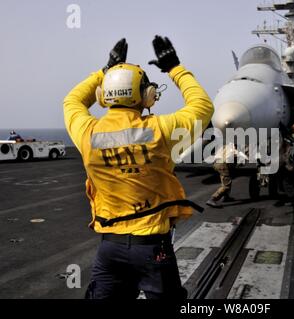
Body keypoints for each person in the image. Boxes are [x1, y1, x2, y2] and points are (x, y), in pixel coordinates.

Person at [63, 37, 213, 299]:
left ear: (103, 95)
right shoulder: (161, 130)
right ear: (147, 96)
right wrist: (174, 68)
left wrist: (104, 71)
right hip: (153, 248)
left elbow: (72, 101)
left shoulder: (87, 132)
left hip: (110, 249)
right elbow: (202, 106)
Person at [206, 143, 237, 208]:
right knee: (226, 185)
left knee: (225, 180)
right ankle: (212, 199)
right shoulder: (233, 148)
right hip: (222, 164)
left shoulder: (224, 146)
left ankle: (226, 197)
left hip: (216, 164)